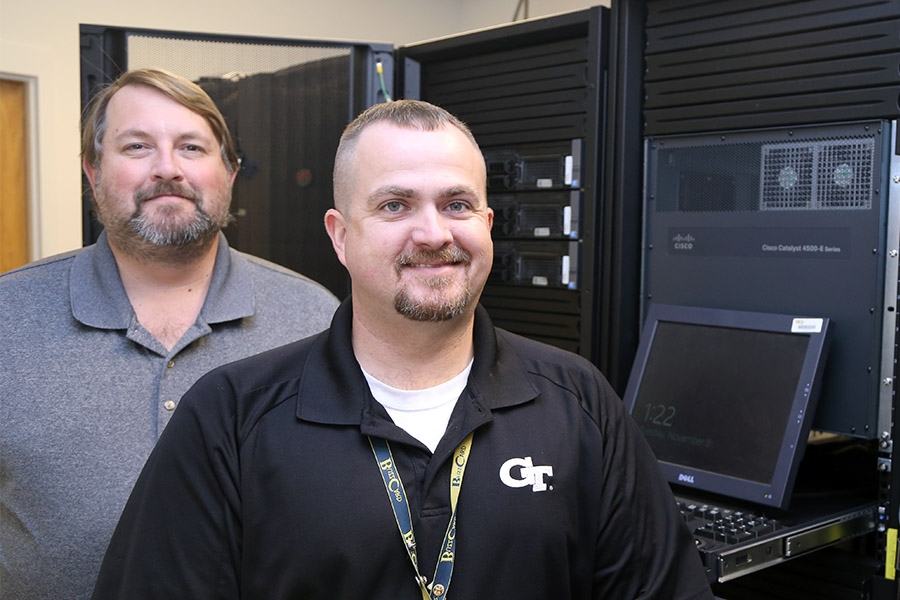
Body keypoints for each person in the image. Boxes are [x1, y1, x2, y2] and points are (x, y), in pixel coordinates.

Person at [91, 99, 713, 599]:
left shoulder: (579, 404)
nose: (434, 233)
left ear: (488, 227)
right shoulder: (232, 416)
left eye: (457, 204)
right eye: (395, 205)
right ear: (341, 236)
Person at [0, 68, 339, 600]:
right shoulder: (6, 317)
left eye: (191, 147)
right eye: (136, 147)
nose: (168, 169)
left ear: (228, 172)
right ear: (93, 172)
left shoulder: (317, 319)